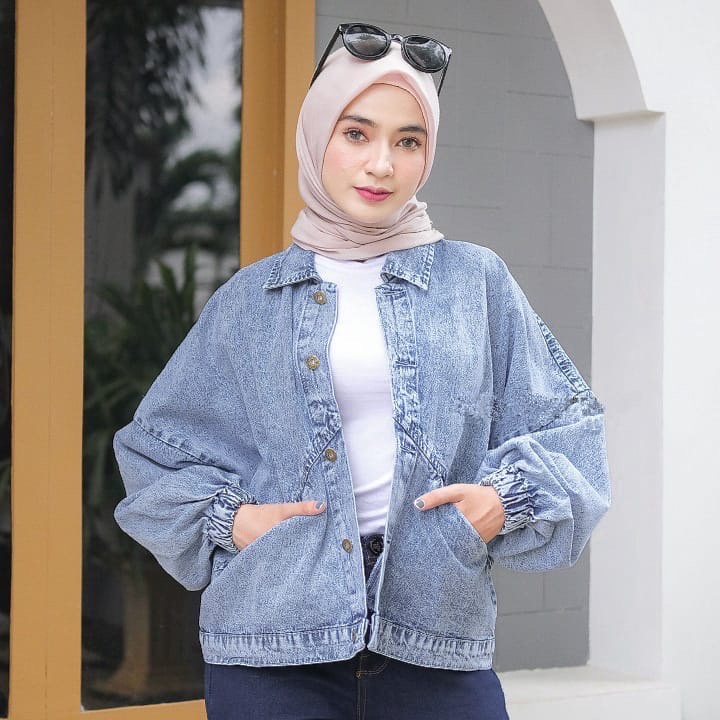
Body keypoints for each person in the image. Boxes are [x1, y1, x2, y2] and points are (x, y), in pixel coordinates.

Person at [113, 22, 611, 720]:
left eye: (408, 141)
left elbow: (570, 426)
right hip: (273, 643)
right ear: (318, 136)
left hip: (435, 631)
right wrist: (234, 521)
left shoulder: (475, 281)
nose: (382, 164)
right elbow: (155, 449)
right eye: (357, 133)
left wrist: (503, 502)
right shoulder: (250, 300)